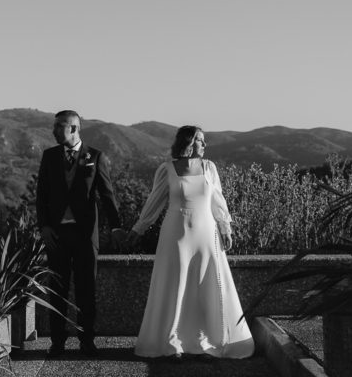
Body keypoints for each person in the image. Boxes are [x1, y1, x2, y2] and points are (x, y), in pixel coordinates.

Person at [126, 125, 254, 359]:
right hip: (176, 234)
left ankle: (208, 339)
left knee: (206, 284)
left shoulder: (209, 168)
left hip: (207, 234)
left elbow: (217, 200)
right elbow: (154, 202)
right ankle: (172, 341)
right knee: (176, 284)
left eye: (204, 141)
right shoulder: (167, 169)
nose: (205, 145)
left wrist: (225, 227)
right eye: (200, 140)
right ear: (188, 142)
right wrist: (139, 228)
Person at [36, 110, 126, 357]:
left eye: (59, 126)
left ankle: (87, 340)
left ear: (73, 128)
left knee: (87, 290)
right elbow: (41, 195)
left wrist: (116, 226)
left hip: (86, 236)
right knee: (57, 289)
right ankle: (57, 342)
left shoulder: (95, 157)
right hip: (56, 235)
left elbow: (107, 195)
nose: (53, 131)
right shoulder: (49, 156)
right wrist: (44, 227)